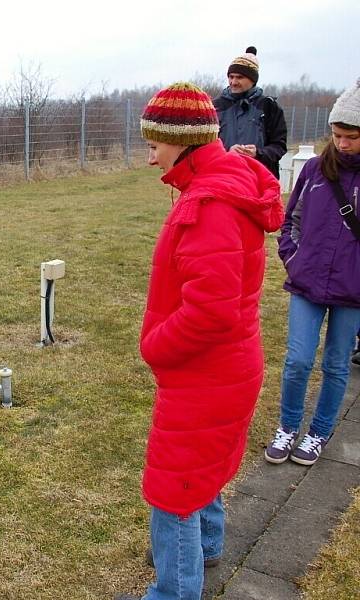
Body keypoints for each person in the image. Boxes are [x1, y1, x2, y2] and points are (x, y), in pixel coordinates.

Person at [116, 82, 284, 600]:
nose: (150, 159)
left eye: (154, 145)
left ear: (182, 142)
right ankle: (205, 546)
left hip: (207, 373)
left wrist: (156, 347)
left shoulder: (209, 205)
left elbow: (210, 311)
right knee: (199, 469)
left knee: (175, 487)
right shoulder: (220, 183)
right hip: (224, 369)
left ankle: (175, 590)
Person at [264, 78, 360, 466]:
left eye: (351, 137)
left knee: (336, 364)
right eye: (337, 135)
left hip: (353, 291)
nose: (342, 144)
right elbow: (290, 221)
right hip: (306, 283)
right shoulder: (317, 169)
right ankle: (287, 427)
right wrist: (294, 258)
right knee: (298, 360)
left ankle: (318, 433)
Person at [213, 46, 288, 178]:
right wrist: (227, 152)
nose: (233, 82)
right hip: (223, 177)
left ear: (252, 80)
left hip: (259, 180)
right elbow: (205, 147)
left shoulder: (269, 107)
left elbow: (279, 146)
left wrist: (258, 153)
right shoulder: (216, 107)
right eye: (231, 77)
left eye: (240, 77)